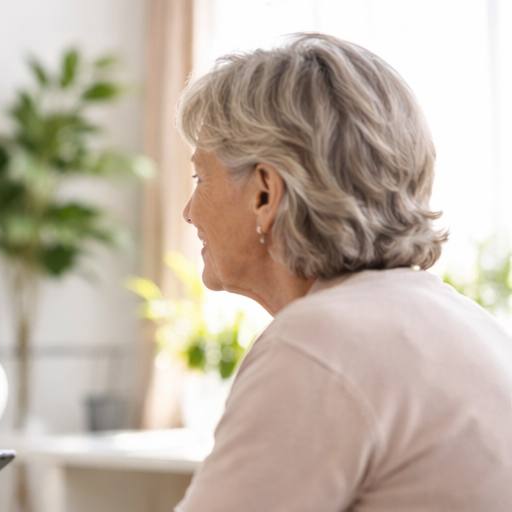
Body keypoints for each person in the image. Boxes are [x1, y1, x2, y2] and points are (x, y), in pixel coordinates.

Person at [173, 33, 512, 511]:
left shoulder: (316, 342)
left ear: (265, 194)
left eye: (198, 178)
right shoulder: (467, 321)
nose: (189, 212)